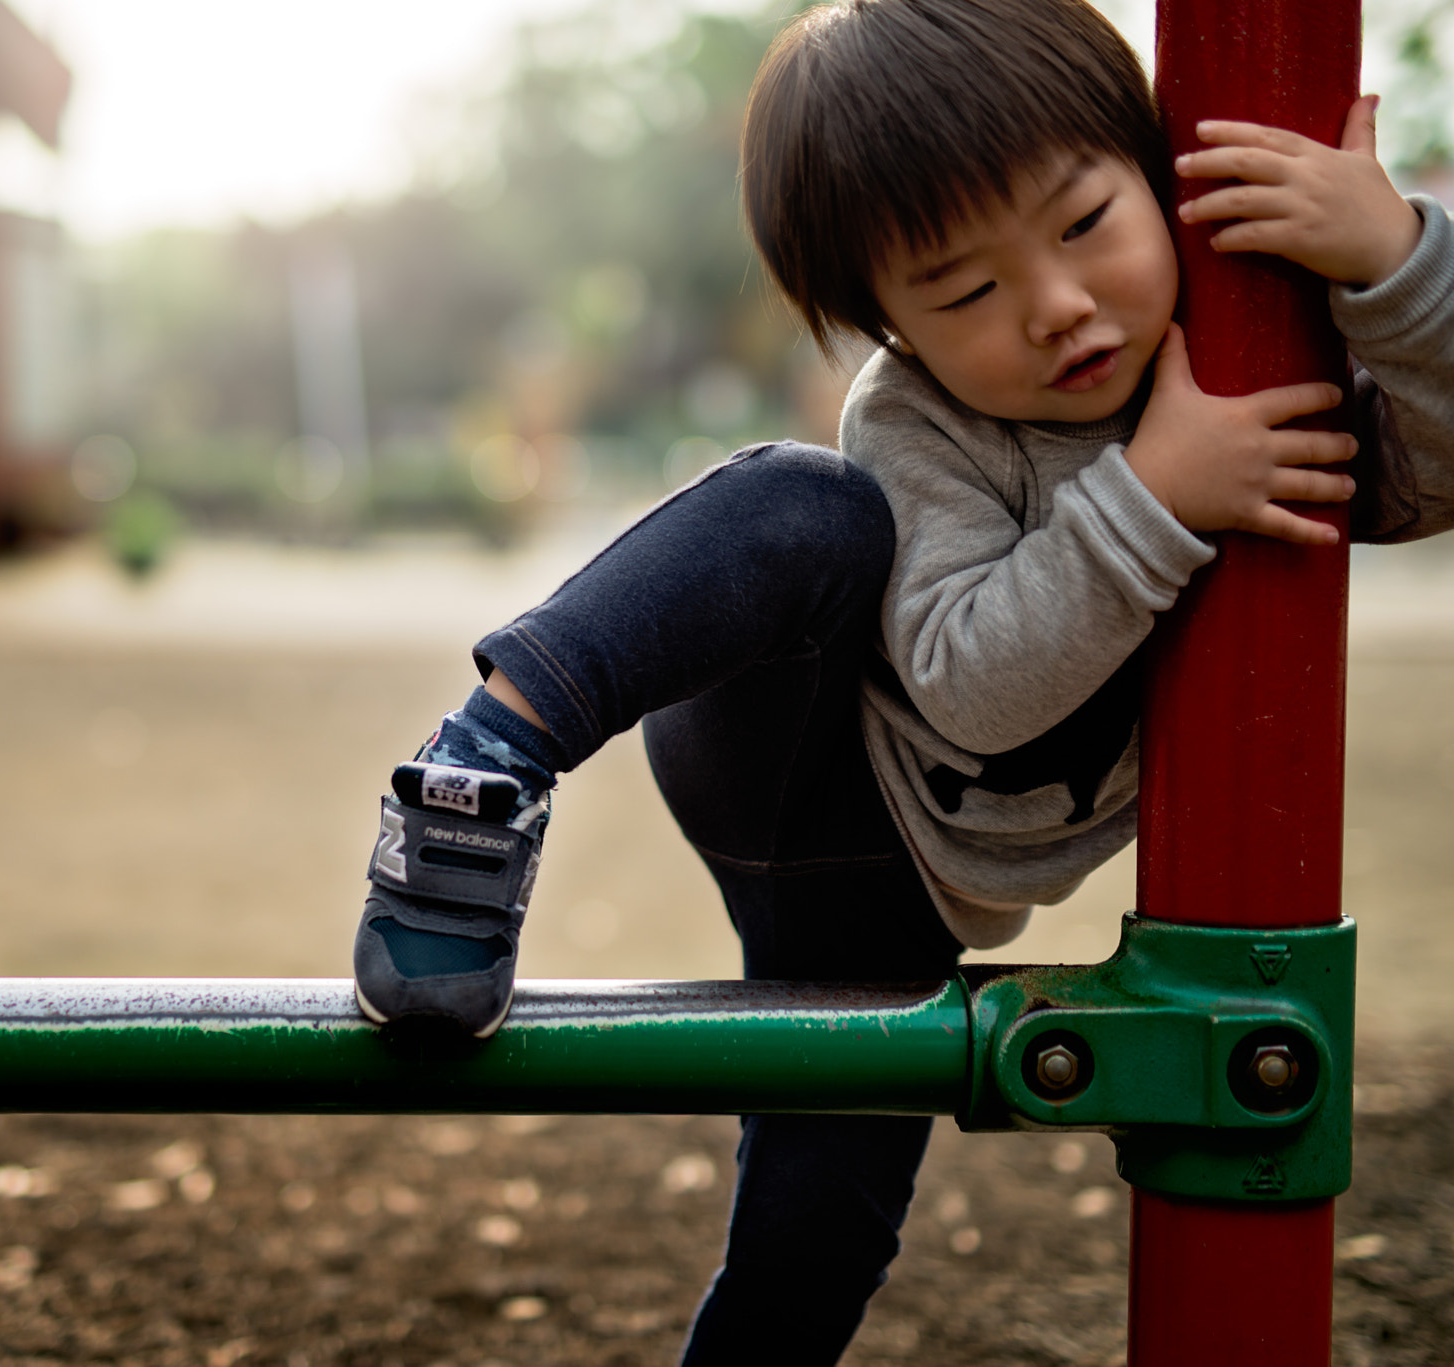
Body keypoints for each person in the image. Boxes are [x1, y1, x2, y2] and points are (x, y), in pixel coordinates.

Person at [350, 0, 1454, 1359]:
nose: (1055, 306)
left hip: (906, 906)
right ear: (896, 329)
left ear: (1156, 168)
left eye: (1084, 224)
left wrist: (1396, 264)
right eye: (966, 292)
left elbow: (1425, 471)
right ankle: (483, 764)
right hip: (804, 749)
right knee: (804, 506)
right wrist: (1157, 496)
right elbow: (974, 686)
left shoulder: (1262, 356)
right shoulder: (921, 418)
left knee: (820, 1242)